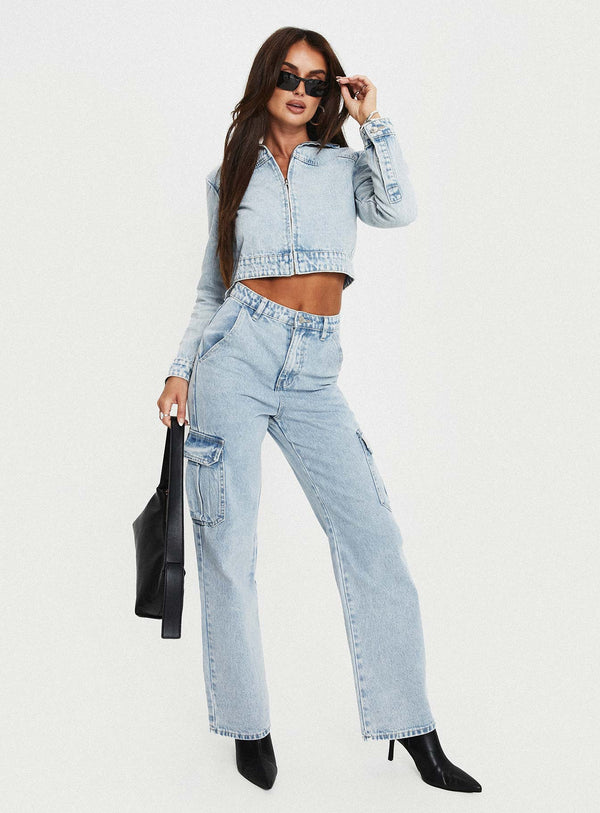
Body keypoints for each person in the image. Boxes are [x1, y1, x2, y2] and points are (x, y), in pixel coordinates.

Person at [156, 28, 482, 794]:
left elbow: (399, 209)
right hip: (234, 356)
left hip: (314, 367)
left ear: (330, 89)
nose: (299, 90)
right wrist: (179, 369)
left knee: (373, 537)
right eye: (287, 75)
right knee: (228, 544)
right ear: (264, 82)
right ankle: (248, 724)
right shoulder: (228, 176)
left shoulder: (346, 165)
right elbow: (212, 287)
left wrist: (375, 122)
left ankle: (413, 725)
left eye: (314, 79)